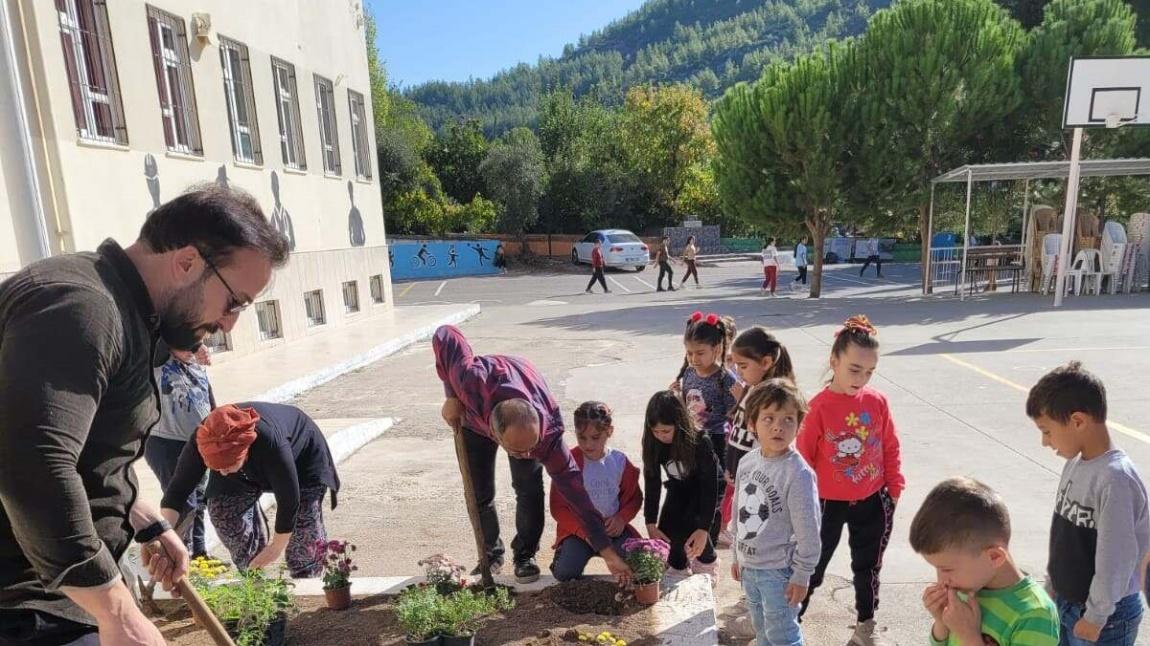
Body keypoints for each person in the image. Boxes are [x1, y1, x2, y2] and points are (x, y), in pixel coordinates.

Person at [0, 184, 288, 645]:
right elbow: (32, 466)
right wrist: (117, 610)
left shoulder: (123, 311)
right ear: (188, 262)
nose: (230, 322)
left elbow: (86, 455)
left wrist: (140, 516)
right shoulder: (79, 307)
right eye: (235, 302)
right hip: (26, 608)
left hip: (60, 598)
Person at [433, 325, 632, 585]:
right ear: (496, 433)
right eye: (517, 449)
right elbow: (446, 334)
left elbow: (577, 496)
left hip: (521, 394)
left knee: (528, 488)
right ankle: (490, 556)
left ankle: (525, 555)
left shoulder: (548, 436)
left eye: (531, 447)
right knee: (479, 492)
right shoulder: (470, 381)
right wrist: (451, 395)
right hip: (472, 416)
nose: (526, 454)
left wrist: (607, 553)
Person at [797, 315, 905, 646]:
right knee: (811, 565)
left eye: (869, 371)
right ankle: (790, 618)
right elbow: (802, 459)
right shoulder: (816, 408)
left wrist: (894, 486)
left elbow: (889, 443)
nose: (861, 378)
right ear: (834, 361)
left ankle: (865, 624)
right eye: (854, 369)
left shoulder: (877, 402)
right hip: (826, 504)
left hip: (873, 499)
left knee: (867, 567)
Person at [1026, 362, 1149, 646]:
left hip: (1105, 618)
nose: (1045, 442)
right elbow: (1065, 538)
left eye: (1047, 431)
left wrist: (1096, 616)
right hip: (1068, 604)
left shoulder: (1115, 479)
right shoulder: (1075, 464)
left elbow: (1115, 559)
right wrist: (1053, 588)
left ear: (1078, 421)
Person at [161, 403, 341, 578]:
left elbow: (290, 499)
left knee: (304, 526)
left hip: (302, 459)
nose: (222, 472)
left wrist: (275, 548)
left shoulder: (272, 443)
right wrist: (163, 536)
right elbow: (177, 491)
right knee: (223, 511)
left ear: (244, 451)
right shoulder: (206, 437)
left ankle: (307, 576)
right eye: (217, 468)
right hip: (241, 464)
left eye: (227, 466)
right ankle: (253, 578)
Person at [910, 477, 1059, 646]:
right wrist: (942, 622)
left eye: (947, 569)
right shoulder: (967, 589)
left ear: (994, 557)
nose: (942, 580)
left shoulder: (1034, 613)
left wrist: (969, 637)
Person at [731, 379, 821, 646]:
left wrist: (802, 574)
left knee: (783, 636)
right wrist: (737, 554)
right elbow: (738, 512)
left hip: (778, 572)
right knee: (762, 631)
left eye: (788, 419)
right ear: (752, 424)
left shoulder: (798, 473)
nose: (778, 426)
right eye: (768, 418)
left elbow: (809, 531)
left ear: (799, 425)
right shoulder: (747, 462)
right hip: (750, 568)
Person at [674, 311, 738, 571]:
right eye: (690, 352)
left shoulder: (725, 378)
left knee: (711, 500)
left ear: (717, 348)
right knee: (690, 498)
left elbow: (742, 404)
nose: (694, 358)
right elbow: (682, 398)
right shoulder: (688, 373)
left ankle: (707, 556)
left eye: (700, 352)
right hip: (691, 442)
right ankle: (692, 549)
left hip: (717, 444)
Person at [549, 402, 642, 581]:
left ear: (609, 431)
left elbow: (635, 498)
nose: (588, 444)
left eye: (595, 437)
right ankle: (563, 555)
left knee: (638, 565)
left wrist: (622, 518)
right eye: (582, 437)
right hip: (579, 532)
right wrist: (583, 532)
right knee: (565, 574)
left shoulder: (620, 462)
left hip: (612, 529)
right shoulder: (568, 463)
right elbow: (558, 508)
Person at [722, 328, 797, 547]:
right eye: (735, 365)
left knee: (760, 535)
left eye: (743, 366)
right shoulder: (751, 389)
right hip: (742, 478)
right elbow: (738, 434)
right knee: (745, 533)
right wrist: (731, 467)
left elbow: (773, 443)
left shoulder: (771, 397)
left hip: (761, 481)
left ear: (766, 362)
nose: (738, 371)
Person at [146, 343, 216, 559]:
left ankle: (199, 553)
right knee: (183, 503)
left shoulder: (195, 365)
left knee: (199, 499)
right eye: (189, 342)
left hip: (196, 443)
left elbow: (208, 400)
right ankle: (173, 555)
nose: (192, 347)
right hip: (166, 444)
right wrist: (196, 345)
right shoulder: (159, 359)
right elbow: (164, 328)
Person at [642, 391, 720, 578]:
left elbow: (710, 487)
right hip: (677, 487)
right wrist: (650, 521)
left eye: (666, 431)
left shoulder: (700, 441)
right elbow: (652, 482)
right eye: (656, 431)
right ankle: (678, 565)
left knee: (694, 523)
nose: (661, 436)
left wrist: (703, 528)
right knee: (668, 527)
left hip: (704, 487)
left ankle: (707, 562)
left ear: (679, 423)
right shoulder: (654, 443)